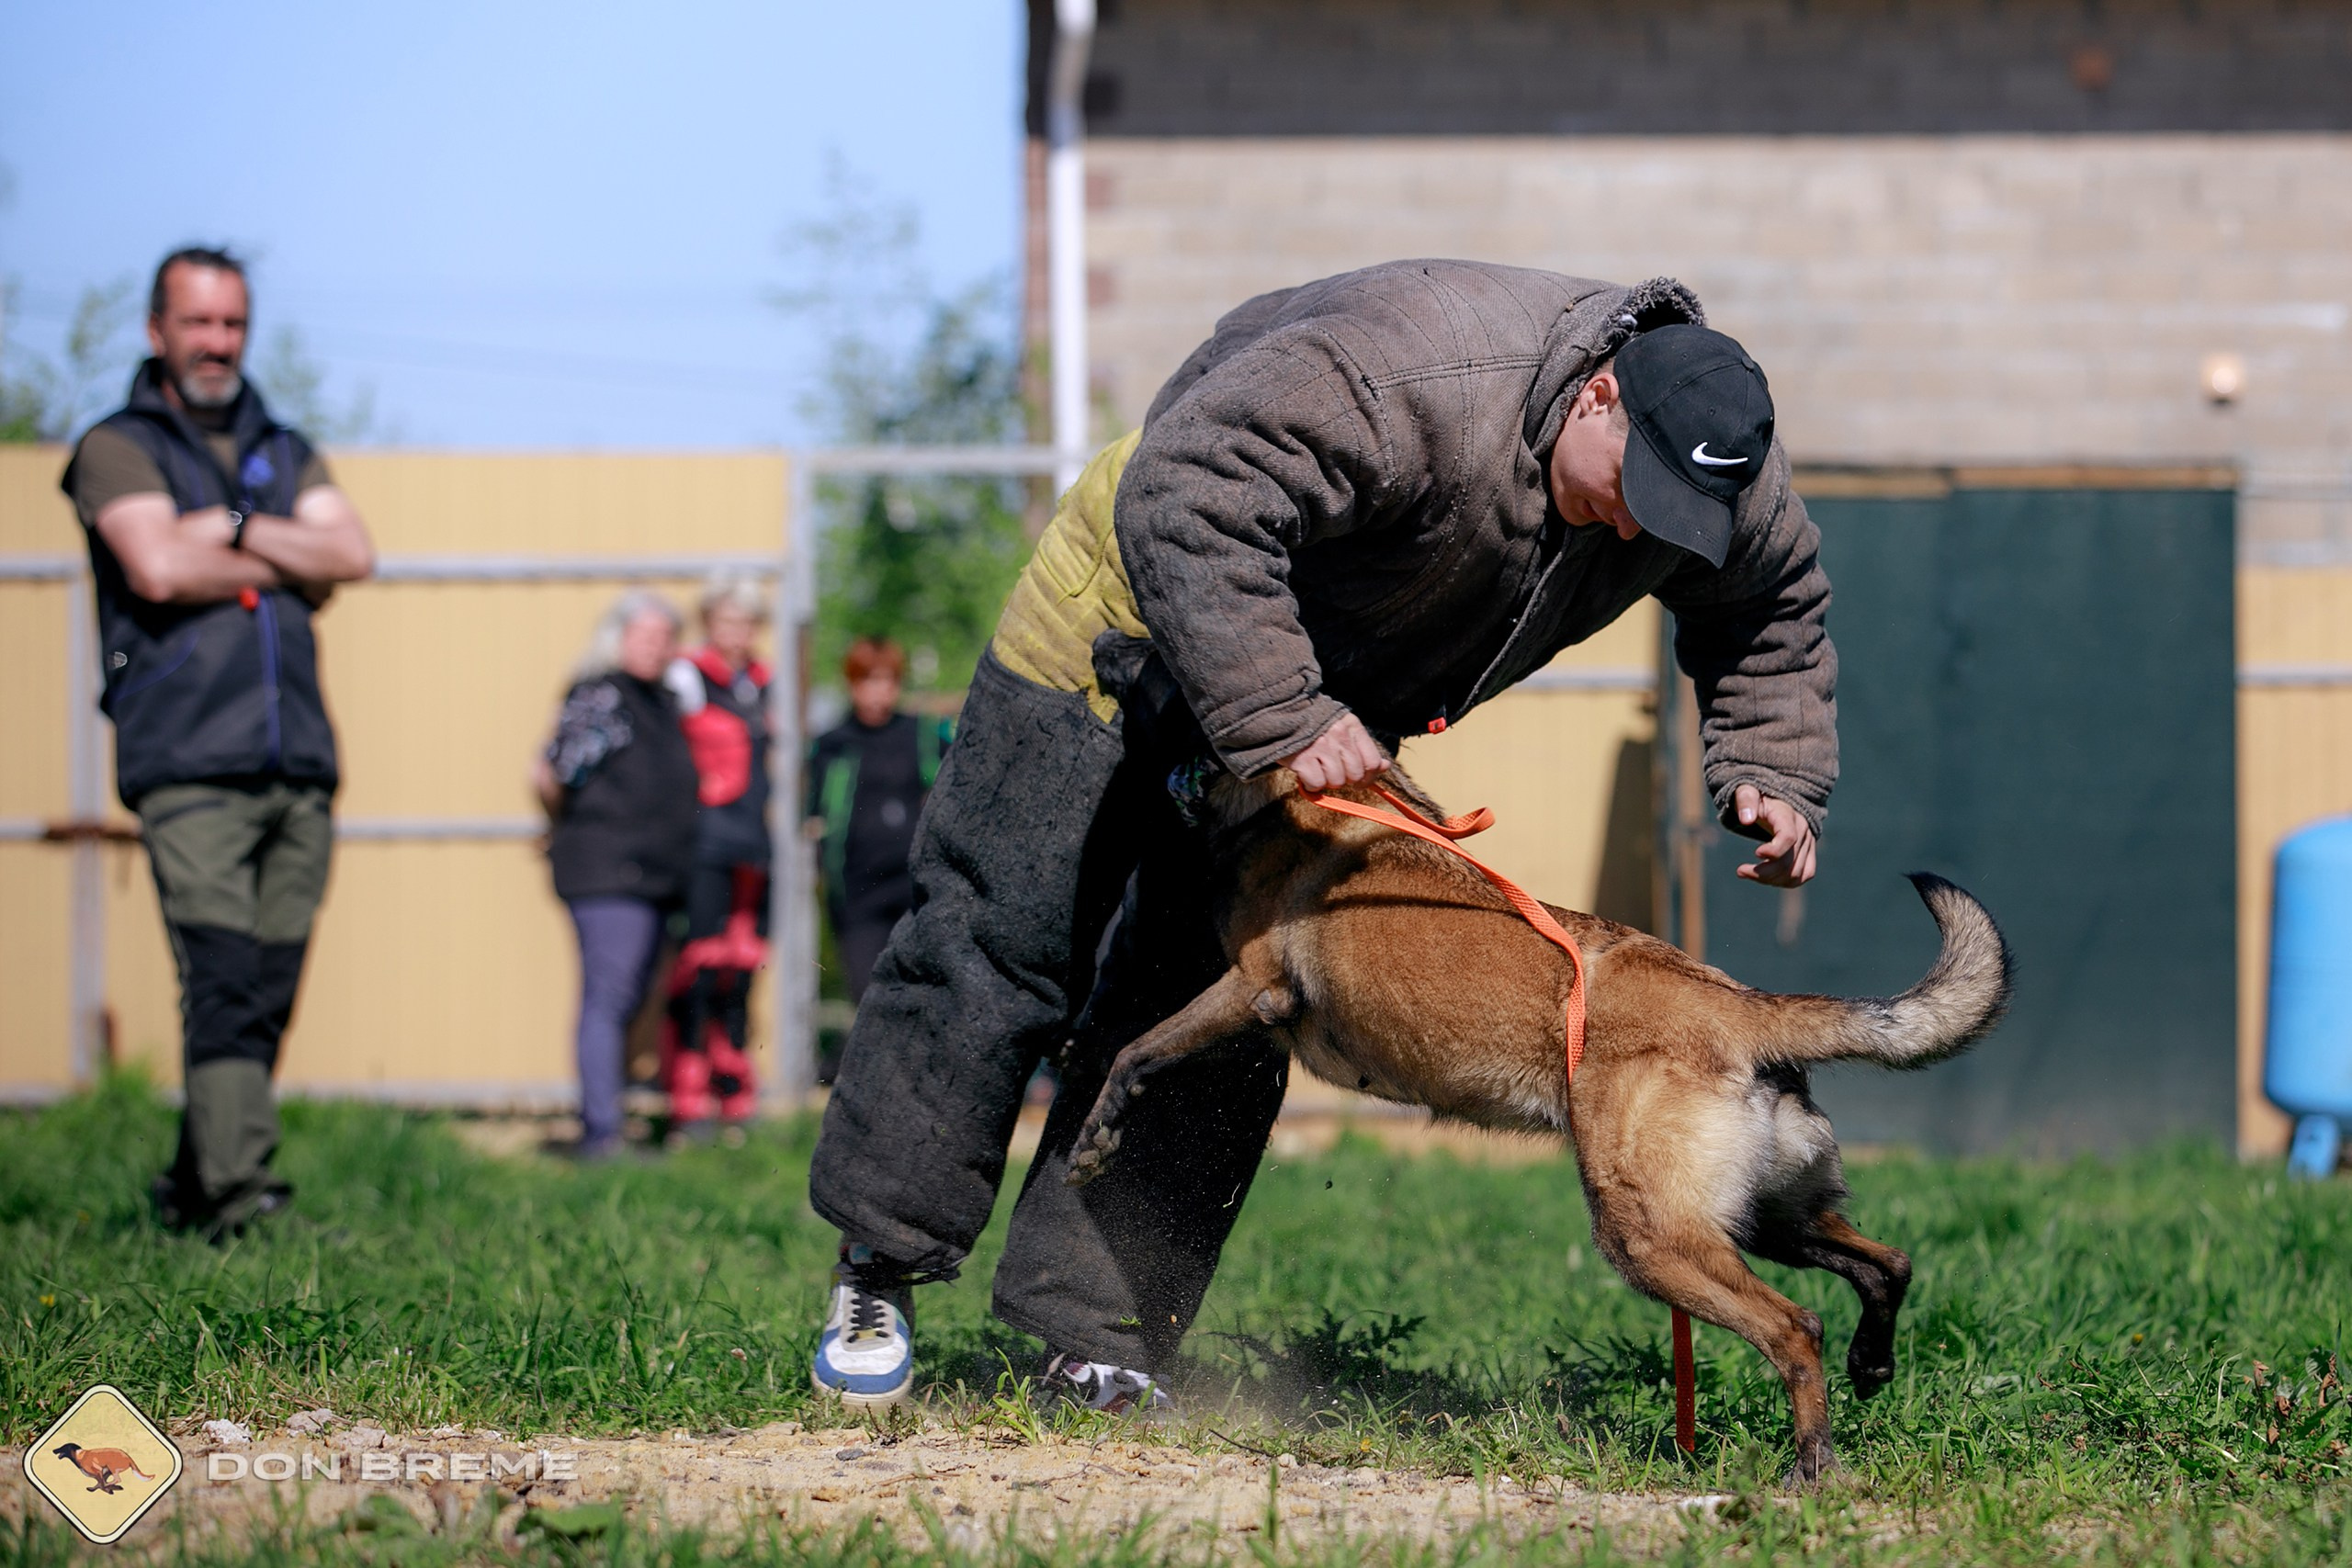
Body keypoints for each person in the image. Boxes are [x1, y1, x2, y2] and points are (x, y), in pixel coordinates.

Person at [806, 263, 1836, 1414]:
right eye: (1633, 486)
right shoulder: (1415, 369)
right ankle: (877, 1268)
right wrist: (1284, 711)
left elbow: (1772, 605)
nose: (1641, 523)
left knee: (1242, 1000)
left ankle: (1093, 1335)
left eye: (1676, 514)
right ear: (1598, 396)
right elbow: (1184, 492)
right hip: (1131, 620)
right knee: (1000, 942)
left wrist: (1772, 767)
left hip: (1319, 703)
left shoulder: (1715, 458)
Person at [61, 247, 376, 1243]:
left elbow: (353, 553)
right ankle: (243, 1199)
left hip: (299, 761)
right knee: (224, 976)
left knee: (266, 987)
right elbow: (153, 566)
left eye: (232, 324)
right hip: (189, 758)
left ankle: (192, 1185)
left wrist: (233, 524)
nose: (217, 343)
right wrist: (283, 548)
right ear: (158, 330)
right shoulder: (117, 446)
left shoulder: (282, 448)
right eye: (198, 323)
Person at [533, 591, 700, 1160]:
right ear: (618, 637)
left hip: (654, 874)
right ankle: (601, 1133)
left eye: (665, 637)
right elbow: (552, 771)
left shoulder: (661, 701)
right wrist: (560, 826)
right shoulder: (602, 694)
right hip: (607, 871)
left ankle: (610, 1121)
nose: (656, 646)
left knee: (630, 999)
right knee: (609, 995)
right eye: (645, 634)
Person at [659, 572, 775, 1139]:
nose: (738, 631)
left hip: (752, 847)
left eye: (748, 621)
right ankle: (688, 1098)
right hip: (703, 842)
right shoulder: (686, 676)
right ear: (709, 621)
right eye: (728, 619)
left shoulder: (764, 682)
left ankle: (735, 1093)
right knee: (699, 968)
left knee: (740, 968)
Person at [804, 638, 954, 1011]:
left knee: (920, 992)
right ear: (852, 685)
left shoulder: (921, 735)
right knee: (868, 994)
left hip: (915, 887)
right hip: (858, 891)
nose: (878, 693)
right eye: (868, 681)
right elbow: (812, 812)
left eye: (887, 681)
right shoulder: (832, 744)